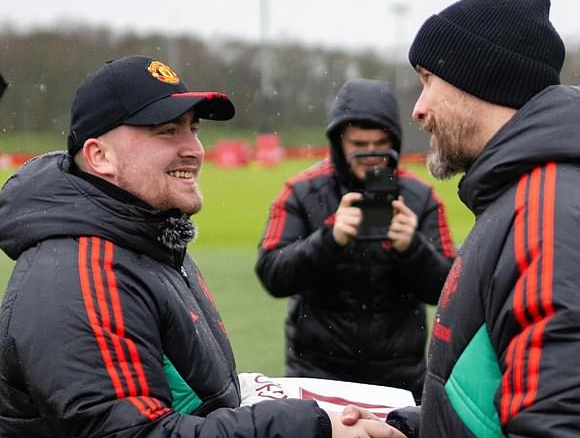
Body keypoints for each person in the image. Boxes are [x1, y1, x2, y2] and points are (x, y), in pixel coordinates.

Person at [0, 55, 406, 438]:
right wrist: (307, 426)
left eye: (193, 128)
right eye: (167, 131)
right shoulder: (82, 273)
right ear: (100, 155)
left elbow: (201, 399)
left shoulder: (148, 238)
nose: (194, 148)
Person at [405, 0, 580, 436]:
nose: (418, 109)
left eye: (428, 81)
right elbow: (500, 396)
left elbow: (561, 424)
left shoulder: (549, 215)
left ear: (481, 80)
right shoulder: (539, 195)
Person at [255, 78, 456, 401]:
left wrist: (412, 247)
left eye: (381, 143)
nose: (371, 155)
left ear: (396, 140)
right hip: (317, 374)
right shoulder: (302, 191)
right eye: (359, 145)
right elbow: (273, 275)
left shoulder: (421, 197)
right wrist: (329, 239)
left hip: (400, 379)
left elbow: (448, 291)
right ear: (339, 143)